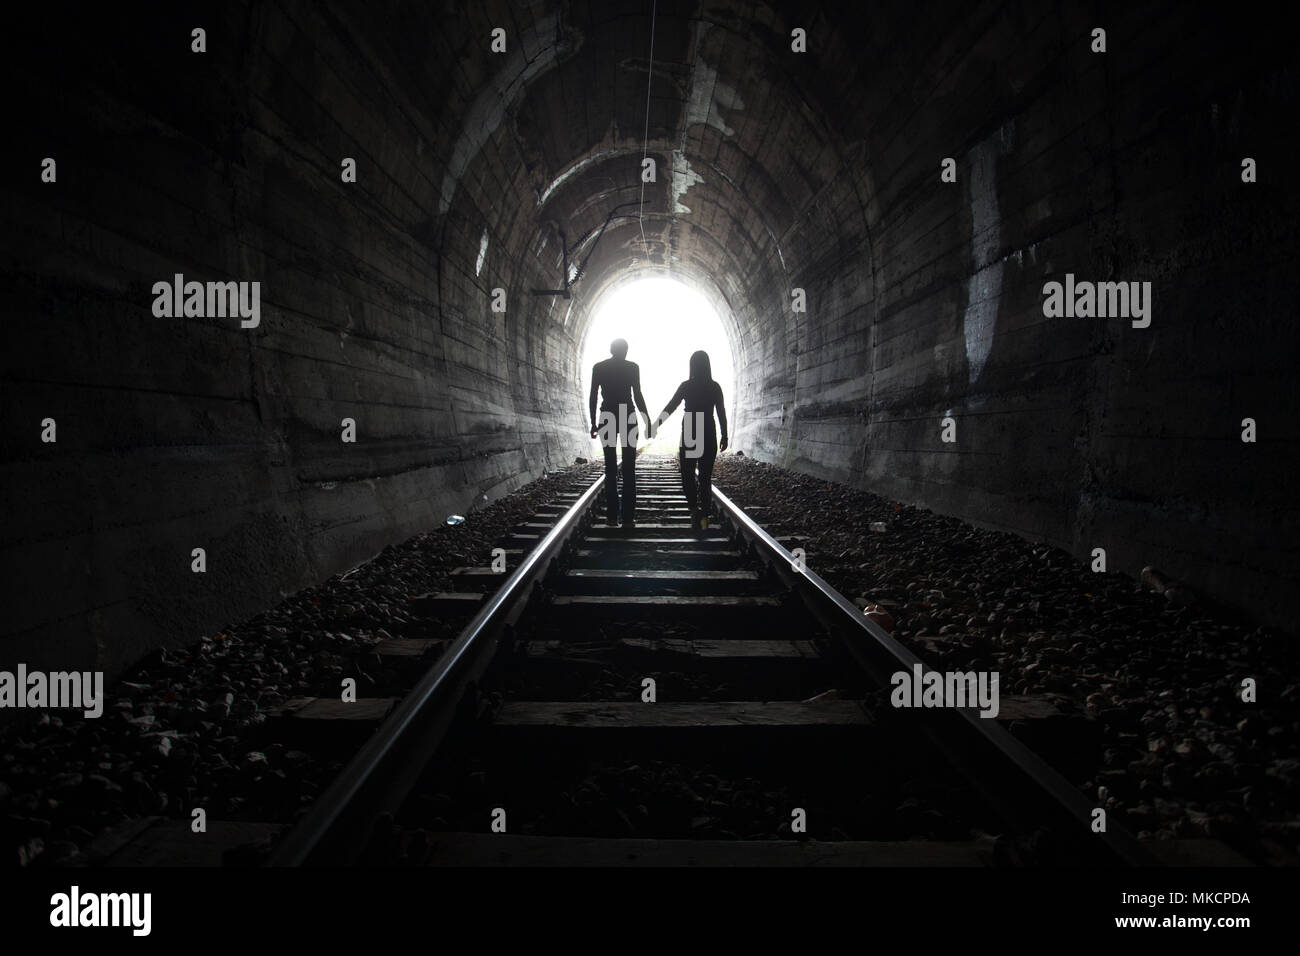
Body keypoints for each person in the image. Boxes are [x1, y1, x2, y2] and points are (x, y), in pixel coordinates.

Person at [655, 350, 728, 531]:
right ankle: (704, 516)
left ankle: (694, 510)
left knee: (687, 473)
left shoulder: (686, 386)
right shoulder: (715, 387)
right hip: (708, 430)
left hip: (691, 429)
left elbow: (671, 406)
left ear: (692, 366)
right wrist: (725, 435)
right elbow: (721, 413)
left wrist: (656, 424)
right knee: (705, 477)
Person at [588, 338, 651, 528]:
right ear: (626, 351)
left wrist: (593, 422)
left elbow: (593, 395)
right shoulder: (632, 367)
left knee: (610, 468)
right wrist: (647, 420)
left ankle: (612, 517)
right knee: (629, 469)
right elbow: (638, 395)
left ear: (610, 349)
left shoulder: (599, 367)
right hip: (628, 416)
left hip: (606, 416)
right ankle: (628, 518)